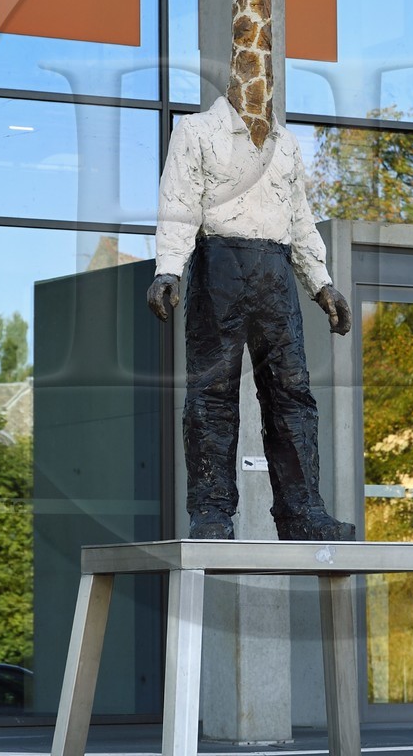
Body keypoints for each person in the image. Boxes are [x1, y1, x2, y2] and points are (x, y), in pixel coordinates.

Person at [146, 97, 355, 541]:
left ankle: (302, 512)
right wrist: (169, 266)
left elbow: (300, 217)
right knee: (212, 393)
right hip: (218, 265)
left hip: (275, 273)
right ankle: (211, 513)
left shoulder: (286, 143)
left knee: (292, 394)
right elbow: (179, 200)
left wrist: (322, 283)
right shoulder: (197, 130)